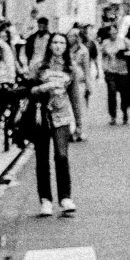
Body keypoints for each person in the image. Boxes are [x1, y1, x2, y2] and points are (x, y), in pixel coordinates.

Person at [22, 24, 77, 215]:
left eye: (62, 43)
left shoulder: (70, 68)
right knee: (42, 158)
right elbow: (28, 90)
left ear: (66, 47)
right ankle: (45, 199)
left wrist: (79, 124)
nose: (58, 46)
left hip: (62, 116)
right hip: (42, 116)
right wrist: (42, 88)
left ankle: (65, 197)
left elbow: (75, 97)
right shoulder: (39, 66)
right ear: (50, 45)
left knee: (61, 155)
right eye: (55, 42)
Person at [101, 25, 130, 124]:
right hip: (110, 71)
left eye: (114, 32)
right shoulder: (105, 43)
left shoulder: (123, 41)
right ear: (108, 33)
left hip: (122, 72)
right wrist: (104, 68)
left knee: (124, 94)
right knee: (112, 93)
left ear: (117, 32)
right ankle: (113, 116)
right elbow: (103, 56)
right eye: (111, 33)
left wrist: (124, 54)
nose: (113, 34)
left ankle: (125, 113)